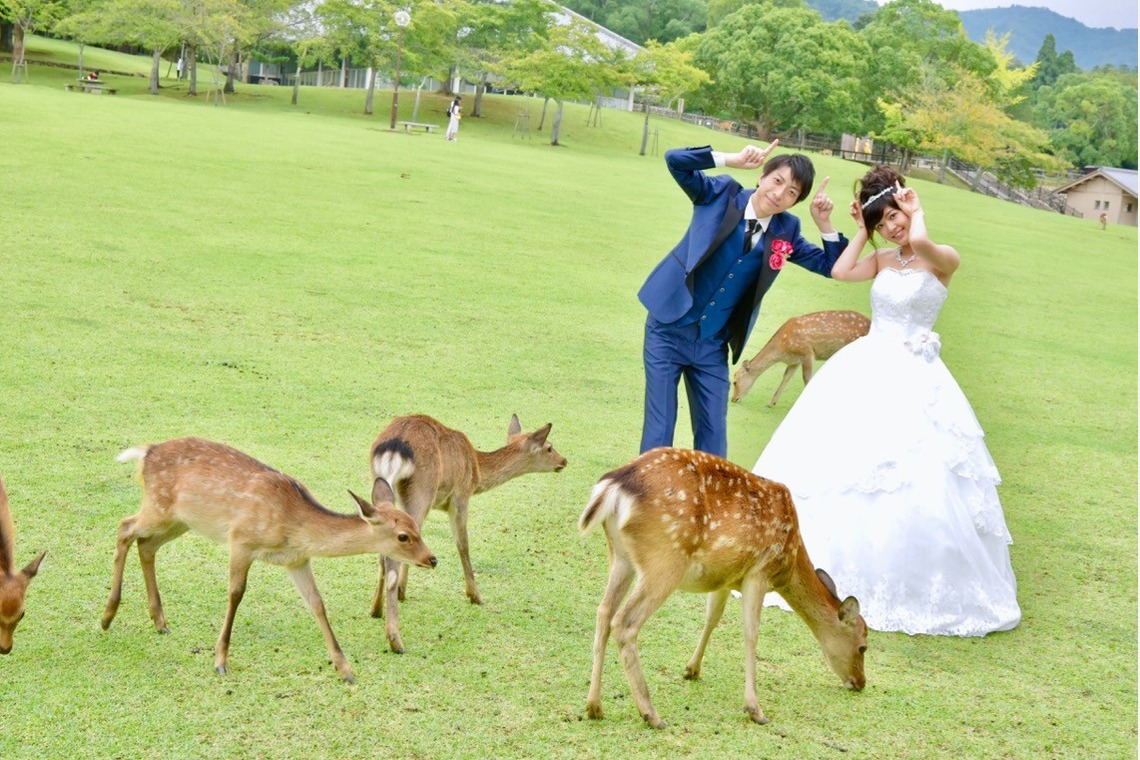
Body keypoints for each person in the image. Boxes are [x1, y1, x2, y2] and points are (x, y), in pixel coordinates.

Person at [753, 165, 1021, 636]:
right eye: (884, 223)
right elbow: (839, 270)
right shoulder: (882, 261)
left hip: (916, 375)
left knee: (915, 472)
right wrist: (857, 230)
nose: (892, 227)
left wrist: (916, 214)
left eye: (894, 216)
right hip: (868, 365)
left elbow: (922, 246)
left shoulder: (940, 258)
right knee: (847, 464)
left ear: (907, 209)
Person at [637, 141, 848, 457]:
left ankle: (712, 503)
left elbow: (832, 267)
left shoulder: (786, 229)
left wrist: (825, 224)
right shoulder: (721, 193)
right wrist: (731, 159)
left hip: (712, 344)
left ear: (796, 201)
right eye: (777, 181)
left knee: (713, 435)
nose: (779, 194)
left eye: (792, 192)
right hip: (669, 328)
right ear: (763, 177)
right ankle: (646, 500)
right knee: (660, 426)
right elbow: (675, 160)